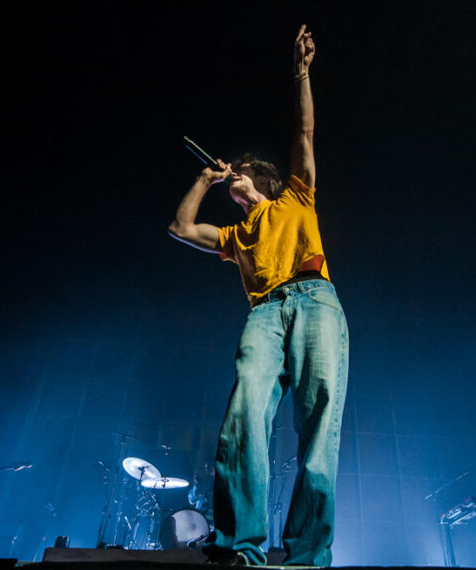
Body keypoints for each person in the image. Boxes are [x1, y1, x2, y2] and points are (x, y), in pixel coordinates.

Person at [168, 25, 348, 567]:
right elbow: (180, 227)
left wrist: (301, 72)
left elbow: (304, 130)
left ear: (259, 178)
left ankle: (305, 557)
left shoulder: (295, 193)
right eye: (231, 176)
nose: (233, 180)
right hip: (266, 313)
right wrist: (205, 179)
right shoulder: (235, 236)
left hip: (316, 299)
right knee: (245, 413)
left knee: (318, 427)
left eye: (239, 174)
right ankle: (238, 548)